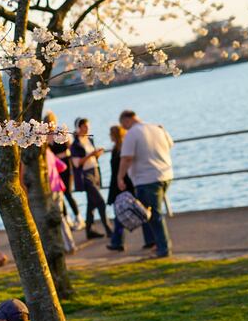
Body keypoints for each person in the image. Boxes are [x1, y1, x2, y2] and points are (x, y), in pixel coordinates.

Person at [117, 110, 174, 257]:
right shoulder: (157, 128)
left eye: (123, 125)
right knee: (153, 213)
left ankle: (163, 248)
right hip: (165, 174)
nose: (124, 128)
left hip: (147, 178)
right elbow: (170, 145)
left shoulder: (132, 133)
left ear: (127, 119)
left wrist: (120, 177)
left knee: (154, 215)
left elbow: (127, 158)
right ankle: (160, 244)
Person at [71, 118, 113, 240]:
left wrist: (97, 154)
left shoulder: (89, 140)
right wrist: (90, 155)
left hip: (95, 171)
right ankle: (109, 229)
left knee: (91, 204)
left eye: (88, 126)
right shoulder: (75, 145)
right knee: (100, 202)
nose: (87, 128)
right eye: (84, 126)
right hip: (85, 175)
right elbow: (77, 163)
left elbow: (92, 158)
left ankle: (89, 231)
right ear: (79, 128)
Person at [45, 112, 83, 230]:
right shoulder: (44, 136)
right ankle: (67, 219)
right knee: (59, 194)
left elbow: (70, 149)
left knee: (68, 193)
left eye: (50, 122)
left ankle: (78, 217)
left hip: (66, 165)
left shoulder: (61, 133)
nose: (49, 125)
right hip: (54, 168)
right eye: (47, 123)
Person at [106, 125, 136, 252]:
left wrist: (120, 179)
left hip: (120, 183)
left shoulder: (120, 149)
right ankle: (117, 241)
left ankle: (117, 241)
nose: (109, 136)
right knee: (120, 213)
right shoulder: (118, 148)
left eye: (110, 134)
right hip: (120, 182)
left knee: (119, 213)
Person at [46, 148, 76, 254]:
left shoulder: (40, 158)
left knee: (55, 219)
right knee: (61, 217)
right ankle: (70, 244)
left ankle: (65, 246)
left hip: (49, 190)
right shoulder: (49, 153)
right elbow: (63, 166)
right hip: (58, 188)